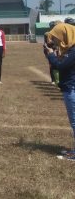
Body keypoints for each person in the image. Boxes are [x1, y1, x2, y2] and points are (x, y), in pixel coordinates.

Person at [44, 22, 75, 160]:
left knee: (74, 121)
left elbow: (60, 66)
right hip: (70, 87)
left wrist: (51, 55)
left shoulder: (73, 51)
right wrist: (50, 53)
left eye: (56, 37)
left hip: (72, 89)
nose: (55, 40)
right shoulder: (69, 49)